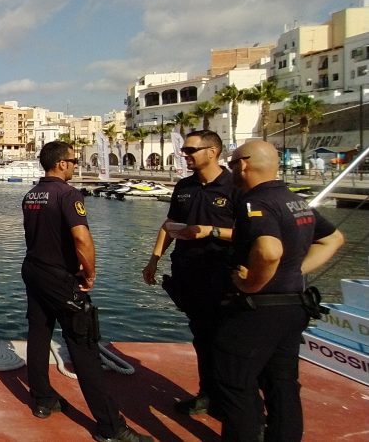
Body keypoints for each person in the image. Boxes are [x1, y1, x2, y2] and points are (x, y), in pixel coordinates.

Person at [21, 141, 152, 442]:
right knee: (84, 347)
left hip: (34, 271)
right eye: (73, 160)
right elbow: (81, 238)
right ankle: (110, 426)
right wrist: (90, 273)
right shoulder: (68, 194)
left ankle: (42, 399)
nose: (75, 165)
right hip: (61, 278)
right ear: (61, 163)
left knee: (39, 334)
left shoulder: (32, 194)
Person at [215, 140, 344, 442]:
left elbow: (269, 251)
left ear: (243, 165)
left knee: (234, 382)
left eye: (231, 164)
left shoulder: (254, 203)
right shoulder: (296, 201)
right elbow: (333, 239)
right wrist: (294, 269)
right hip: (294, 306)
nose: (231, 171)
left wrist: (251, 283)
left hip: (259, 310)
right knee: (282, 383)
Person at [141, 129, 239, 416]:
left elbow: (252, 233)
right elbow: (169, 225)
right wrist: (154, 260)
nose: (185, 155)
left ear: (212, 151)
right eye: (184, 150)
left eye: (191, 150)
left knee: (227, 342)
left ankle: (235, 404)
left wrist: (212, 231)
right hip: (189, 275)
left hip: (224, 276)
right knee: (201, 337)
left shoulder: (235, 187)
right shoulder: (184, 187)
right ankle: (207, 394)